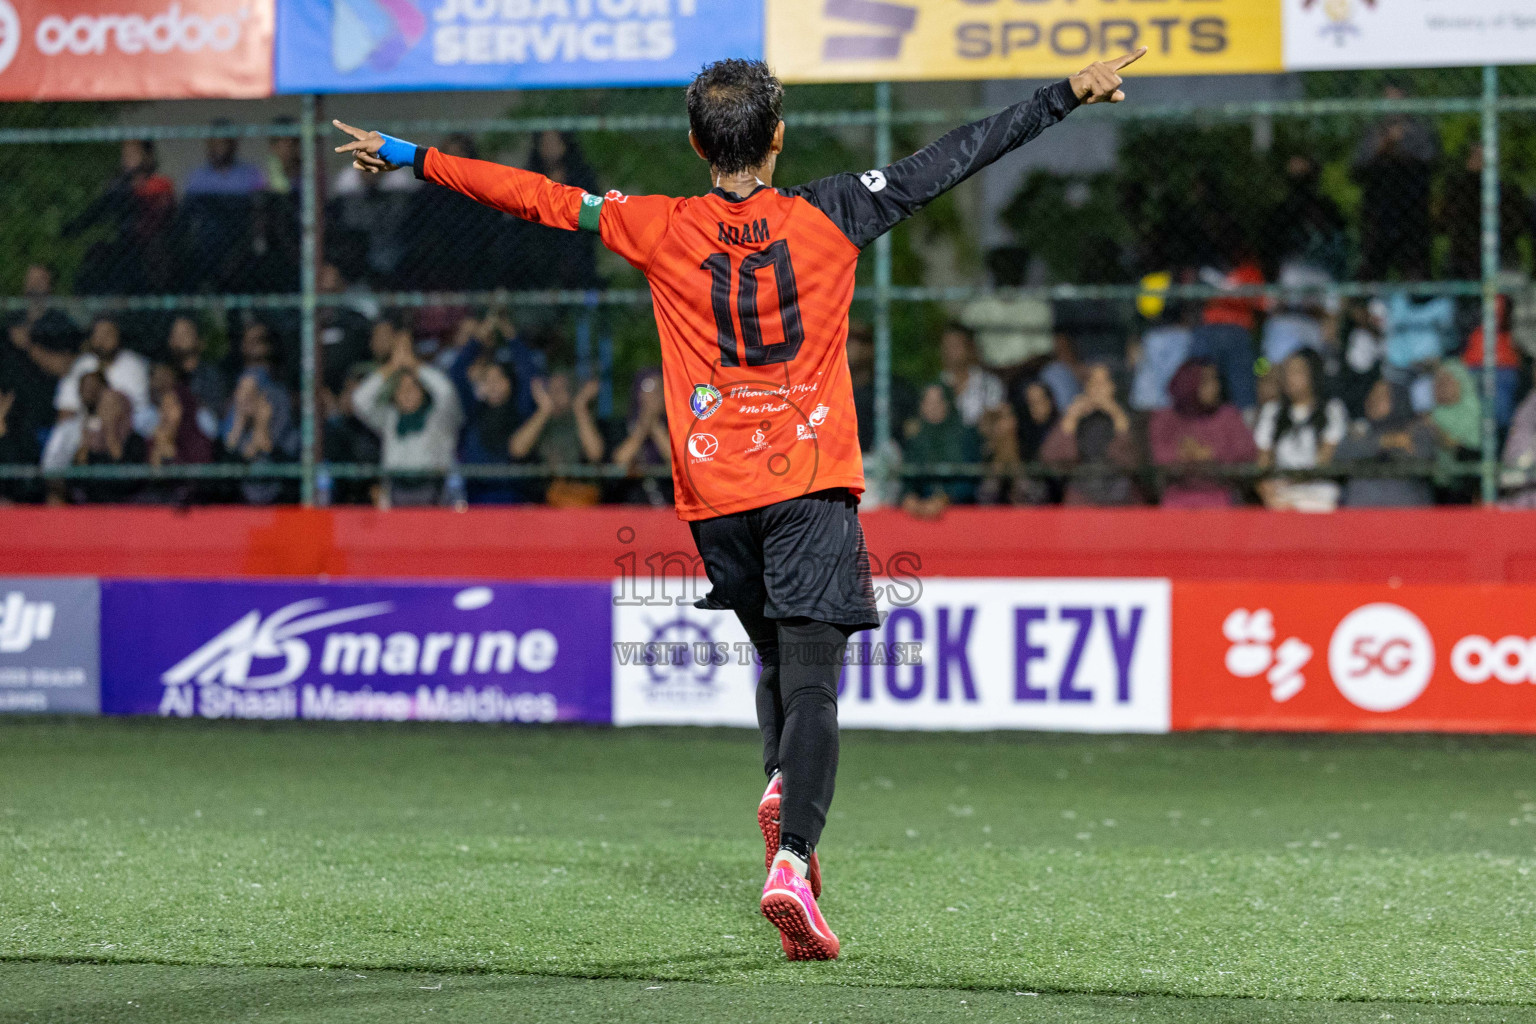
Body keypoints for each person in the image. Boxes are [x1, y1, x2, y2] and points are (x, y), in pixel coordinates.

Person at [334, 46, 1145, 959]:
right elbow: (959, 154)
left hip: (715, 495)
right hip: (807, 482)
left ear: (695, 143)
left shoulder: (651, 222)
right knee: (814, 680)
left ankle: (777, 784)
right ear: (779, 138)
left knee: (776, 656)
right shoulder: (836, 209)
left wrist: (409, 155)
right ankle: (793, 856)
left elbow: (533, 194)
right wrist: (1065, 94)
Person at [352, 333, 463, 507]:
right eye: (401, 389)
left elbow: (446, 392)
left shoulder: (439, 416)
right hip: (396, 493)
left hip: (434, 494)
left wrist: (414, 364)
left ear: (423, 390)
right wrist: (392, 367)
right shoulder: (390, 418)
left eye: (412, 388)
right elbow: (359, 400)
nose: (407, 394)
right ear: (394, 395)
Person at [63, 139, 177, 295]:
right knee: (97, 254)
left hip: (151, 244)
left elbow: (159, 211)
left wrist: (127, 190)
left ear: (146, 156)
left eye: (133, 154)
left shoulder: (160, 184)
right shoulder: (119, 185)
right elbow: (103, 207)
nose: (127, 159)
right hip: (125, 245)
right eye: (125, 155)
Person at [1353, 84, 1438, 282]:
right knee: (1371, 271)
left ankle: (1419, 309)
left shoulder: (1419, 132)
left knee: (1416, 272)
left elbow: (1432, 162)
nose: (1393, 105)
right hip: (1378, 215)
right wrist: (1382, 147)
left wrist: (1402, 150)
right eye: (1389, 99)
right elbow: (1357, 170)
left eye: (1398, 98)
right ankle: (1366, 309)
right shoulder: (1373, 133)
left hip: (1412, 214)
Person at [1148, 360, 1257, 508]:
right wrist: (1183, 454)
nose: (1215, 387)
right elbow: (1156, 454)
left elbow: (1247, 452)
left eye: (1215, 380)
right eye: (1205, 382)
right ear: (1188, 384)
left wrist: (1211, 454)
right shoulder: (1166, 417)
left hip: (1219, 495)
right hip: (1176, 496)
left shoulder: (1228, 415)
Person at [1253, 351, 1348, 512]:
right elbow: (1262, 464)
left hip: (1318, 499)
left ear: (1312, 375)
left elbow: (1323, 462)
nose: (1290, 378)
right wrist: (1269, 495)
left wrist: (1289, 484)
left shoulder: (1332, 410)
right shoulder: (1272, 411)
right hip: (1280, 500)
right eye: (1287, 372)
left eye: (1297, 371)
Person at [1039, 363, 1142, 506]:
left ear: (1114, 386)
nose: (1098, 389)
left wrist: (1117, 415)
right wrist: (1071, 417)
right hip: (1083, 495)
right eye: (1093, 383)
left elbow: (1132, 462)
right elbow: (1050, 458)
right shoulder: (1076, 418)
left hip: (1122, 496)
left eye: (1103, 383)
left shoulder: (1129, 416)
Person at [509, 371, 605, 506]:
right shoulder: (537, 420)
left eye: (561, 389)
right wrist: (544, 410)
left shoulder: (581, 419)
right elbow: (517, 449)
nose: (555, 394)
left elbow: (595, 453)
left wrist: (580, 406)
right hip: (540, 500)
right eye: (551, 389)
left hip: (577, 500)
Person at [1335, 377, 1435, 507]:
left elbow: (1421, 457)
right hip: (1360, 516)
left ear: (1398, 400)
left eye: (1382, 396)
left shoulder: (1418, 429)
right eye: (1372, 394)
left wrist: (1376, 448)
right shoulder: (1359, 430)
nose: (1373, 400)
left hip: (1406, 514)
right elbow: (1340, 454)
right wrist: (1383, 442)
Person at [900, 382, 982, 518]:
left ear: (947, 404)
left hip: (961, 514)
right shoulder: (916, 439)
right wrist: (910, 497)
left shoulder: (964, 435)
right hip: (921, 510)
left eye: (938, 402)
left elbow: (970, 478)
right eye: (928, 402)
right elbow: (908, 477)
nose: (933, 408)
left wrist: (944, 499)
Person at [846, 321, 916, 455]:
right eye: (847, 339)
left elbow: (911, 430)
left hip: (886, 468)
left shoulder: (895, 390)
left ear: (872, 347)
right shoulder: (829, 389)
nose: (850, 346)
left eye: (860, 340)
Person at [608, 368, 674, 506]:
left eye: (658, 391)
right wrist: (643, 428)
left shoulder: (675, 427)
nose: (652, 398)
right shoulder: (624, 425)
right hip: (634, 503)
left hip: (668, 503)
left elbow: (677, 462)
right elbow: (620, 460)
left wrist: (656, 427)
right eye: (648, 391)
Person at [937, 324, 1005, 428]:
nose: (951, 351)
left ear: (969, 349)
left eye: (956, 346)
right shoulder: (936, 386)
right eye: (947, 346)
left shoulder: (989, 384)